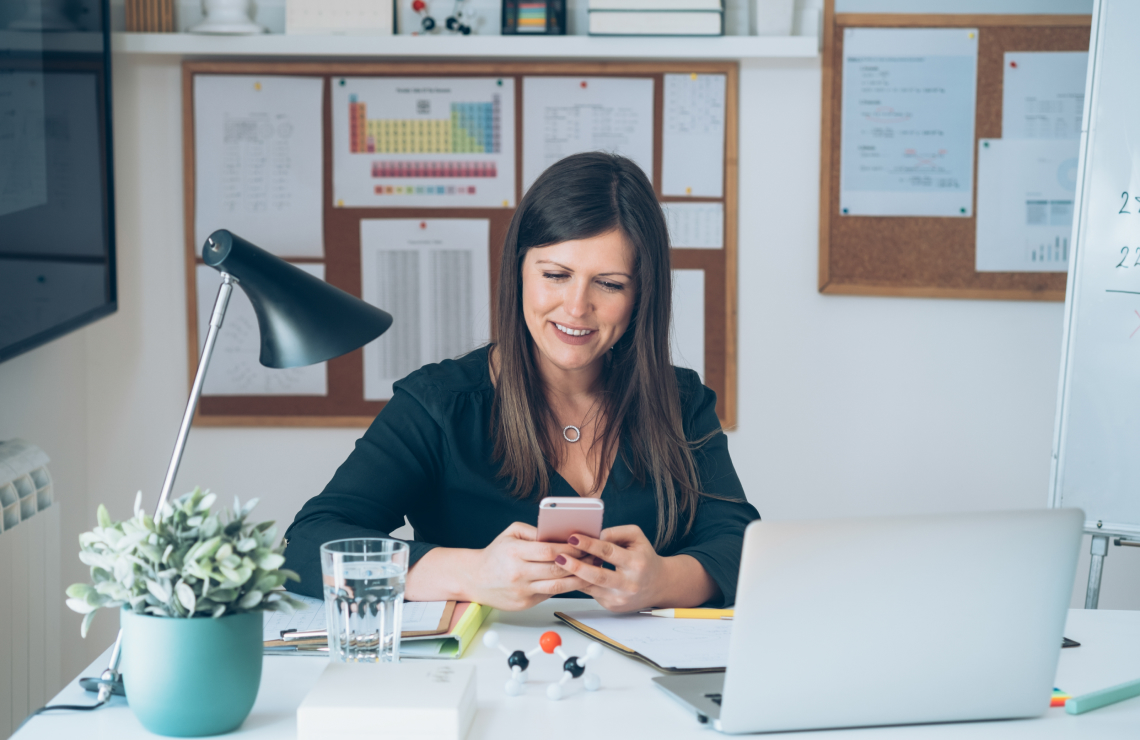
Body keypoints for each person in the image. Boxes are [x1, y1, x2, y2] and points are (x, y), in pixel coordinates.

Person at [283, 152, 759, 612]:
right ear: (519, 272)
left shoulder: (682, 401)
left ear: (641, 296)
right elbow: (306, 544)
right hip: (480, 680)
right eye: (555, 274)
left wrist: (661, 582)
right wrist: (468, 573)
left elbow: (741, 544)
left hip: (638, 684)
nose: (576, 307)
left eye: (609, 284)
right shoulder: (438, 404)